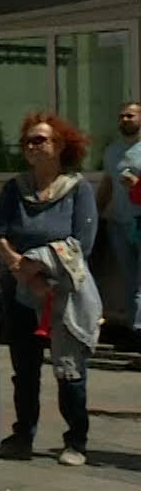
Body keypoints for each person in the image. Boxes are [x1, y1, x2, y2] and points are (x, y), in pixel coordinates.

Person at [0, 113, 98, 466]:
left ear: (60, 146)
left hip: (63, 293)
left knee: (69, 369)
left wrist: (40, 270)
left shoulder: (78, 189)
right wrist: (22, 271)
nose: (33, 146)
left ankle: (76, 441)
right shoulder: (15, 188)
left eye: (41, 140)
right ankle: (23, 434)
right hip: (19, 288)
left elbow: (82, 243)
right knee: (25, 367)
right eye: (28, 141)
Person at [95, 102, 141, 338]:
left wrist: (137, 185)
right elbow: (107, 184)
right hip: (118, 223)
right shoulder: (112, 151)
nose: (125, 120)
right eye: (121, 116)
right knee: (129, 279)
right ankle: (134, 330)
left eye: (130, 116)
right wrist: (95, 215)